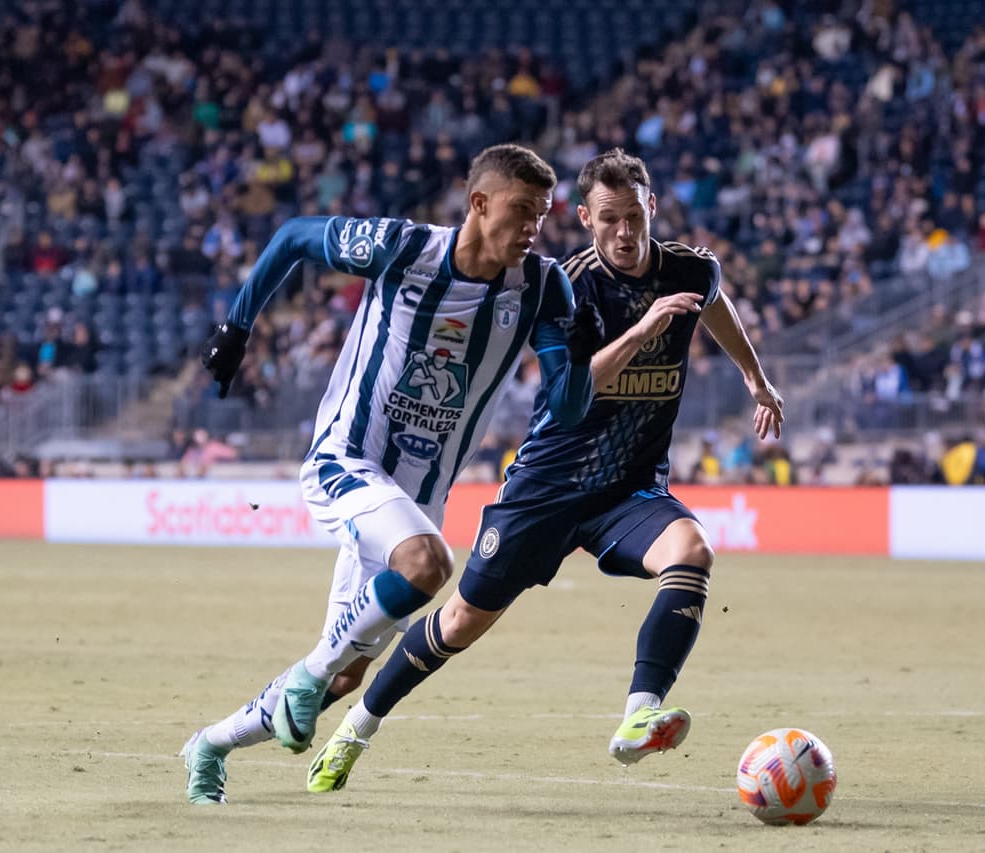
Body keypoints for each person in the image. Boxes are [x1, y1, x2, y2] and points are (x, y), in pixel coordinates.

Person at [306, 148, 784, 792]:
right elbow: (574, 388)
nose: (623, 232)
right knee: (460, 623)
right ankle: (355, 730)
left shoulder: (690, 272)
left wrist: (755, 378)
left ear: (652, 208)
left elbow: (713, 301)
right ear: (585, 217)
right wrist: (642, 331)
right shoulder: (567, 283)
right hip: (547, 487)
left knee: (692, 550)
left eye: (634, 216)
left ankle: (639, 715)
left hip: (629, 488)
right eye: (608, 218)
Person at [181, 143, 603, 804]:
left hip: (416, 496)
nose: (533, 228)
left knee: (345, 679)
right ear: (478, 203)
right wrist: (238, 323)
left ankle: (210, 742)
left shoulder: (546, 287)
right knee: (428, 566)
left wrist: (578, 356)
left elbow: (570, 407)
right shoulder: (404, 248)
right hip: (347, 460)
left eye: (541, 215)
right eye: (521, 211)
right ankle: (309, 671)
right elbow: (294, 237)